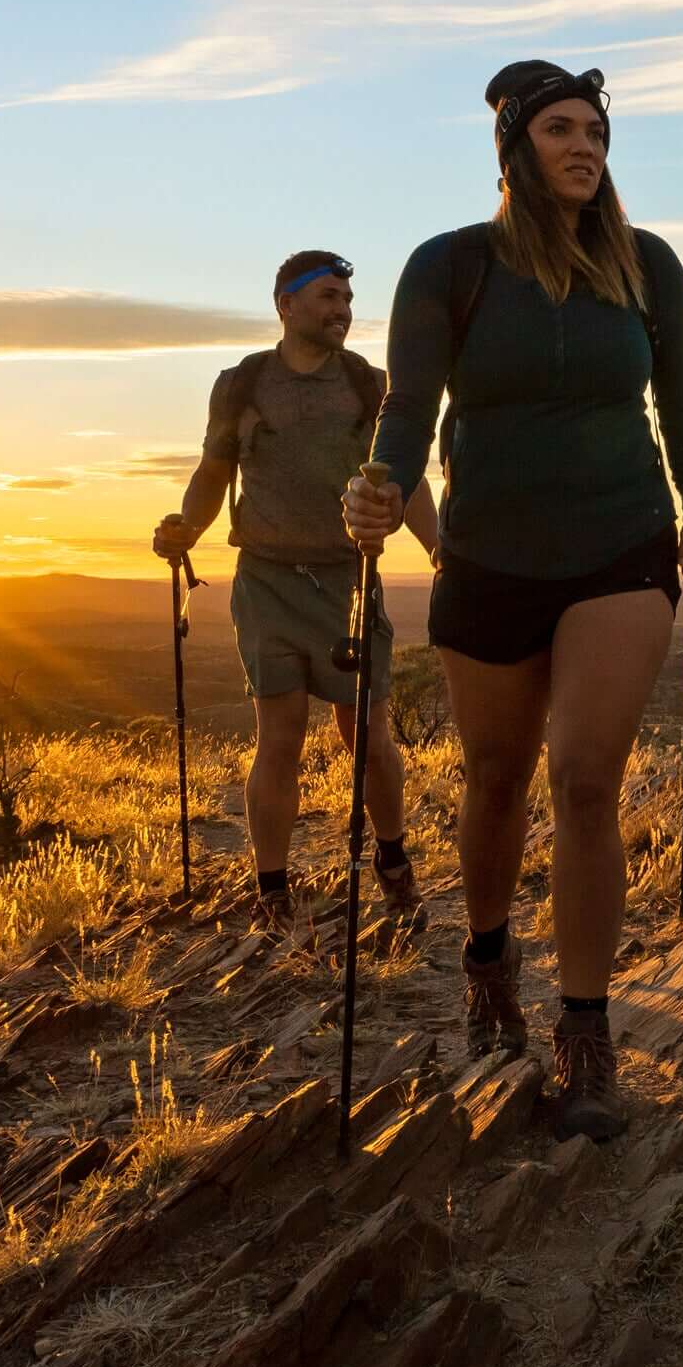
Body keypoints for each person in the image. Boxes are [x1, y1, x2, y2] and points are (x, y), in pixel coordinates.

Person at [344, 61, 683, 1141]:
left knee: (585, 778)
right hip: (489, 552)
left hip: (622, 543)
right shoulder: (451, 265)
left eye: (595, 130)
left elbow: (680, 395)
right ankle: (488, 959)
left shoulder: (646, 264)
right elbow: (410, 405)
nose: (584, 145)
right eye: (561, 128)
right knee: (498, 777)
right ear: (514, 146)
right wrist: (379, 486)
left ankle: (587, 1036)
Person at [153, 249, 441, 929]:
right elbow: (214, 471)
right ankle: (273, 889)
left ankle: (391, 858)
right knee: (278, 737)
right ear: (286, 304)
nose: (343, 310)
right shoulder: (242, 384)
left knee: (364, 733)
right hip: (266, 580)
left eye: (347, 300)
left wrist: (440, 551)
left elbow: (405, 479)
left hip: (349, 579)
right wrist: (186, 527)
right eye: (328, 297)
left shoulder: (370, 385)